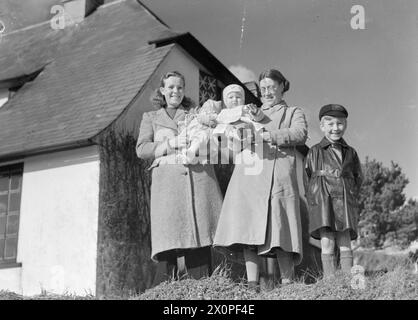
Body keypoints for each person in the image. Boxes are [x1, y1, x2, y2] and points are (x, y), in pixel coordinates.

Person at [214, 69, 308, 289]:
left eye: (272, 87)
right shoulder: (247, 111)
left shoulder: (293, 112)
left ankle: (288, 285)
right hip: (249, 173)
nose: (267, 92)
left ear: (282, 86)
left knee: (280, 227)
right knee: (248, 227)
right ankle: (252, 284)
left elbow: (300, 133)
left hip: (278, 174)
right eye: (263, 88)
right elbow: (232, 138)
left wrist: (269, 135)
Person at [136, 71, 223, 282]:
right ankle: (165, 292)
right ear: (163, 90)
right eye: (171, 87)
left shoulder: (195, 114)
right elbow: (141, 149)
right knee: (169, 242)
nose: (176, 91)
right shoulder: (150, 118)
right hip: (168, 186)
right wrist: (169, 144)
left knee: (198, 240)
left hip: (198, 180)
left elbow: (215, 132)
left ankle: (201, 290)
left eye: (180, 87)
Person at [303, 104, 363, 278]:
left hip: (345, 200)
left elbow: (358, 177)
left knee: (345, 240)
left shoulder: (351, 153)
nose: (335, 128)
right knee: (327, 240)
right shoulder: (314, 151)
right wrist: (315, 199)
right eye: (330, 124)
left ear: (345, 125)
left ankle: (347, 279)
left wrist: (350, 194)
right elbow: (307, 177)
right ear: (322, 126)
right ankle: (329, 281)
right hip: (323, 200)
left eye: (340, 123)